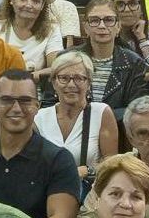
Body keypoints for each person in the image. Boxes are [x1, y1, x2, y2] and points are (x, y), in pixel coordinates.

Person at [0, 70, 79, 218]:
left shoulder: (59, 160)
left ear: (37, 106)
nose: (16, 108)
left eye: (25, 101)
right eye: (6, 100)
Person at [39, 50, 118, 180]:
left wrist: (88, 170)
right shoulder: (40, 117)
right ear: (53, 83)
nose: (71, 84)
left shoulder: (101, 113)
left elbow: (112, 162)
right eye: (64, 78)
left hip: (87, 192)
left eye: (79, 78)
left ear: (89, 83)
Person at [78, 0, 149, 117]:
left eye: (109, 20)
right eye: (94, 20)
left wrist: (102, 118)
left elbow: (137, 109)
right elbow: (50, 104)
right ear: (86, 27)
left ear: (118, 26)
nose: (102, 26)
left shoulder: (135, 63)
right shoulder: (67, 59)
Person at [0, 0, 65, 79]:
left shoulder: (52, 30)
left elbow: (56, 67)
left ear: (42, 5)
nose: (28, 5)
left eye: (35, 1)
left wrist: (30, 77)